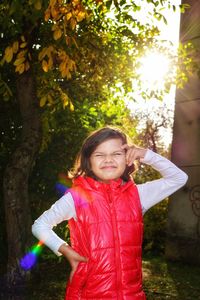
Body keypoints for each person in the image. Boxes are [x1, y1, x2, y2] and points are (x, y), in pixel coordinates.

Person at [32, 127, 188, 299]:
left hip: (131, 294)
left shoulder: (138, 195)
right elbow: (40, 225)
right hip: (88, 294)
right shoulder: (77, 197)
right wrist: (67, 251)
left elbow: (179, 178)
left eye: (117, 153)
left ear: (128, 158)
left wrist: (145, 154)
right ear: (88, 161)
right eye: (99, 155)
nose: (108, 160)